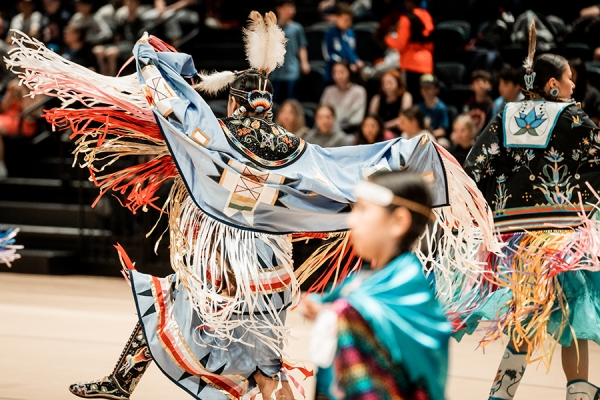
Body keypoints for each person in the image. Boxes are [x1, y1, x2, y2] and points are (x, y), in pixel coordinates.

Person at [9, 11, 501, 400]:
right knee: (265, 352)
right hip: (269, 256)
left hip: (222, 250)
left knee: (172, 301)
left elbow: (175, 117)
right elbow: (334, 170)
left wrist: (158, 64)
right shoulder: (292, 145)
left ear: (237, 101)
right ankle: (154, 384)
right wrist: (407, 152)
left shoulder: (218, 137)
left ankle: (124, 382)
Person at [456, 22, 600, 400]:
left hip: (514, 240)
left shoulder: (506, 115)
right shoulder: (570, 116)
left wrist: (486, 213)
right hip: (559, 237)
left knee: (527, 311)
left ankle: (500, 395)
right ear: (552, 84)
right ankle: (580, 395)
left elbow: (474, 165)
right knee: (572, 316)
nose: (573, 86)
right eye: (569, 80)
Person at [302, 170, 451, 400]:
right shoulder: (364, 280)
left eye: (363, 210)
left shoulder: (406, 287)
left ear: (398, 221)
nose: (351, 220)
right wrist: (323, 309)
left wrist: (338, 313)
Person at [384, 0, 434, 103]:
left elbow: (400, 44)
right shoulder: (427, 16)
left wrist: (387, 38)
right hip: (427, 63)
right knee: (424, 98)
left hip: (411, 64)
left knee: (412, 98)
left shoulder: (406, 19)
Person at [269, 0, 310, 102]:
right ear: (279, 9)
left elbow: (302, 47)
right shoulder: (272, 28)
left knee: (291, 100)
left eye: (292, 7)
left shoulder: (297, 28)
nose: (290, 10)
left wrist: (304, 63)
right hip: (276, 73)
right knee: (275, 102)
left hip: (292, 71)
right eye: (287, 7)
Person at [93, 0, 146, 76]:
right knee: (98, 50)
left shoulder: (140, 22)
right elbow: (117, 36)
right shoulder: (123, 20)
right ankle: (103, 75)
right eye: (128, 2)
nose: (129, 5)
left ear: (137, 5)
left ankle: (112, 77)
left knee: (111, 53)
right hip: (120, 44)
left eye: (132, 3)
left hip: (131, 45)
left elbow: (140, 39)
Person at [320, 61, 366, 134]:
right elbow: (322, 112)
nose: (338, 75)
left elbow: (358, 118)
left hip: (350, 131)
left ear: (349, 72)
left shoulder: (359, 91)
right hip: (329, 130)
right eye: (335, 72)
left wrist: (339, 125)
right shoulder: (328, 91)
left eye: (341, 72)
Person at [322, 2, 363, 83]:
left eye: (350, 20)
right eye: (346, 20)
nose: (349, 23)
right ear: (337, 18)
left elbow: (351, 52)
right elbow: (328, 55)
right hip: (333, 75)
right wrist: (346, 64)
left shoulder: (351, 33)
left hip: (349, 74)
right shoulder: (329, 34)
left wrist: (356, 61)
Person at [368, 69, 412, 135]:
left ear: (398, 83)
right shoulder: (377, 98)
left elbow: (404, 118)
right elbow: (371, 119)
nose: (386, 86)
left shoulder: (406, 97)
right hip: (379, 133)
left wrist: (384, 126)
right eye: (384, 83)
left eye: (390, 82)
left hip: (399, 132)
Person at [416, 74, 449, 139]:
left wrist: (429, 134)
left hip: (435, 138)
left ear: (437, 89)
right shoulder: (418, 107)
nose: (425, 90)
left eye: (428, 88)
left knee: (443, 143)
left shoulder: (441, 108)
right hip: (419, 137)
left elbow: (442, 130)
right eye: (423, 88)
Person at [569, 58, 600, 125]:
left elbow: (597, 118)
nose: (569, 77)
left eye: (572, 74)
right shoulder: (564, 92)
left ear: (580, 75)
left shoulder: (593, 94)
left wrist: (581, 123)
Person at [463, 69, 494, 134]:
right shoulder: (467, 105)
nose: (481, 85)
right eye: (477, 82)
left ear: (490, 85)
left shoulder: (493, 106)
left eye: (484, 81)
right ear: (471, 85)